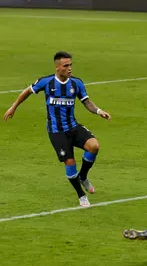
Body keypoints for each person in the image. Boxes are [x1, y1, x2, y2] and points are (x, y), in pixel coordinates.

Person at [3, 51, 111, 207]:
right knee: (70, 161)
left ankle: (83, 176)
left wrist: (99, 111)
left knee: (94, 146)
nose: (69, 69)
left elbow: (86, 102)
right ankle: (81, 195)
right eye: (66, 66)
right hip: (56, 131)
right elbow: (27, 91)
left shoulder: (76, 83)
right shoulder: (46, 82)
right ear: (58, 67)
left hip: (73, 126)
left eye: (71, 65)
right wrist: (13, 107)